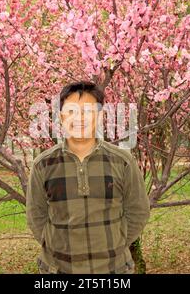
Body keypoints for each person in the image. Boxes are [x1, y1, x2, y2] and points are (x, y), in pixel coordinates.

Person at [26, 81, 150, 274]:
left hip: (114, 269)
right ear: (61, 117)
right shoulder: (43, 164)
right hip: (57, 269)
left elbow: (138, 211)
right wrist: (56, 246)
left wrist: (114, 242)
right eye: (72, 111)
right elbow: (36, 216)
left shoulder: (122, 161)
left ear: (100, 116)